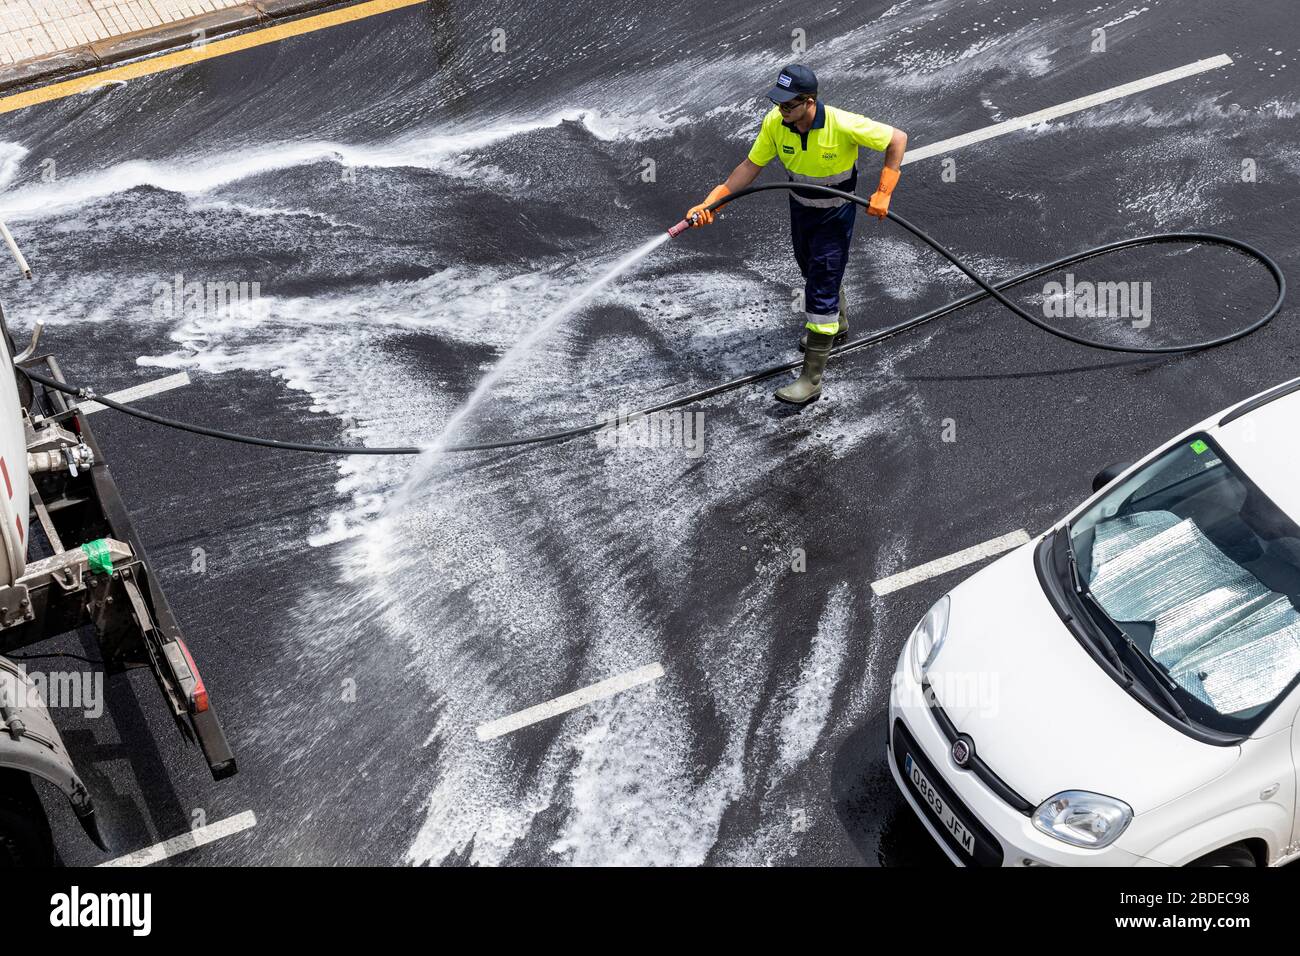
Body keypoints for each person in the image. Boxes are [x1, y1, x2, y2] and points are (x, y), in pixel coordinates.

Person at [687, 63, 907, 405]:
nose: (780, 110)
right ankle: (839, 324)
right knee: (810, 269)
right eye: (778, 103)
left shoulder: (841, 123)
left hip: (835, 214)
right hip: (801, 209)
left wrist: (884, 191)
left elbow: (897, 139)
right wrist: (713, 202)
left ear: (809, 102)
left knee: (820, 284)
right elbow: (750, 166)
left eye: (788, 104)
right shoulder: (777, 123)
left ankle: (811, 380)